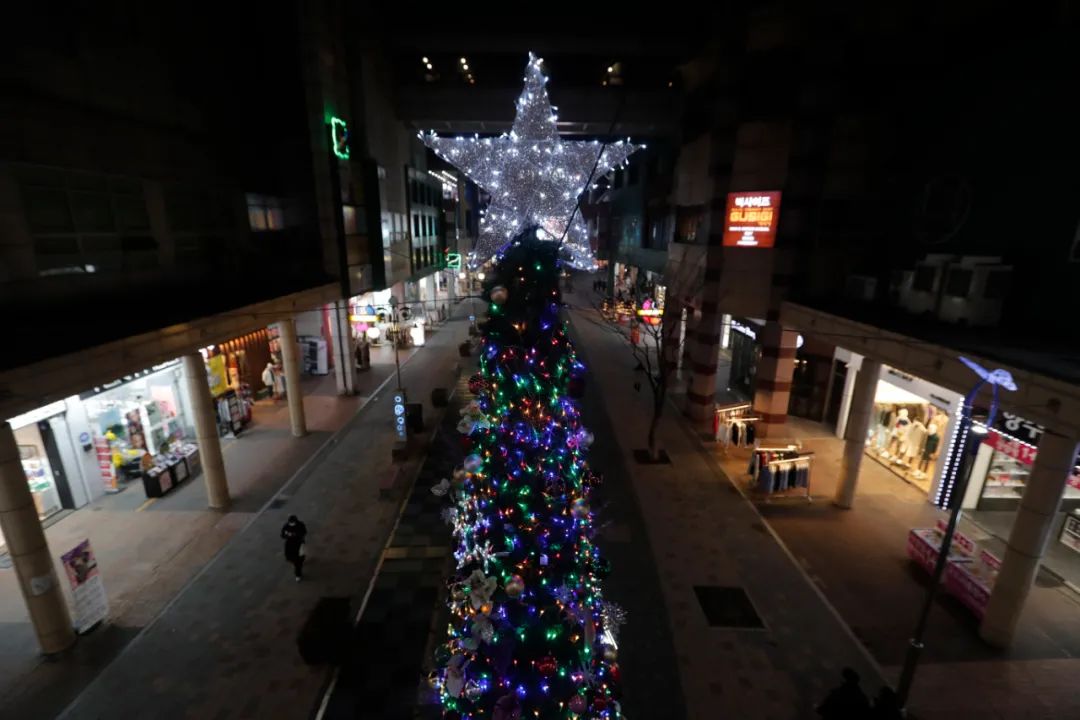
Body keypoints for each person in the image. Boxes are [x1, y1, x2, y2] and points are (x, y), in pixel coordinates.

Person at [281, 515, 307, 581]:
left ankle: (298, 574)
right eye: (290, 522)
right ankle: (297, 569)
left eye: (292, 522)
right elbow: (282, 535)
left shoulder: (300, 525)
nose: (291, 524)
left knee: (299, 558)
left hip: (299, 544)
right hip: (290, 545)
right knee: (294, 559)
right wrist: (287, 535)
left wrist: (293, 534)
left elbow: (304, 532)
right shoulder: (286, 526)